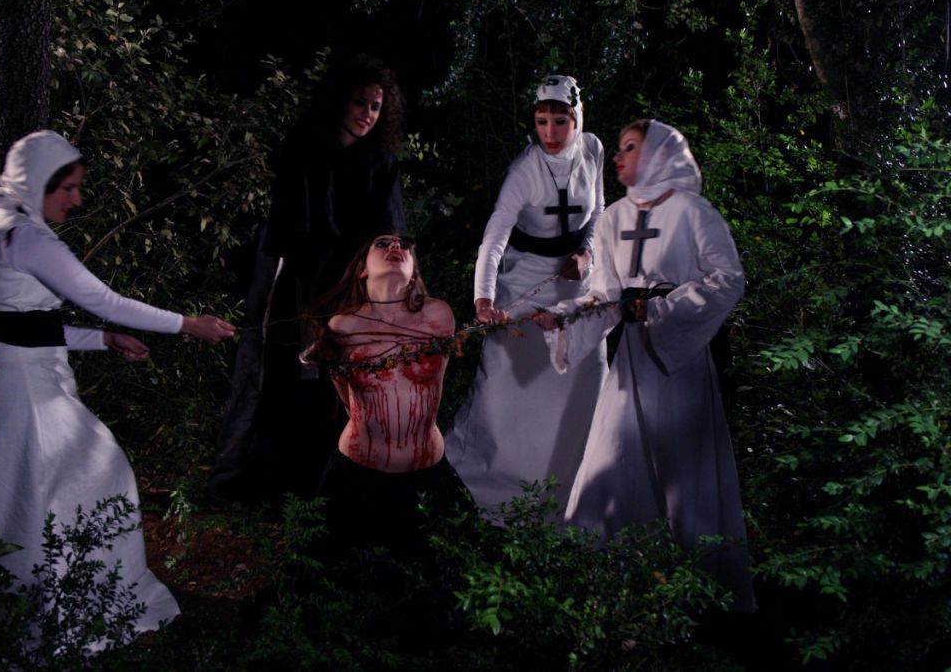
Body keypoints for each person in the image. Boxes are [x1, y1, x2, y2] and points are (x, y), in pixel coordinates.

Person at [0, 130, 235, 637]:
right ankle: (44, 621)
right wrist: (188, 324)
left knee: (57, 490)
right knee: (52, 492)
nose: (77, 199)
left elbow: (21, 322)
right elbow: (103, 299)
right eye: (67, 187)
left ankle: (72, 600)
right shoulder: (23, 235)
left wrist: (103, 340)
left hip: (12, 373)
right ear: (37, 181)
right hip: (21, 385)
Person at [534, 119, 755, 611]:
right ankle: (610, 586)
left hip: (680, 358)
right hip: (633, 359)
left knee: (685, 469)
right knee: (613, 459)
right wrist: (565, 317)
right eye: (618, 147)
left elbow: (727, 279)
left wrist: (661, 309)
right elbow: (606, 295)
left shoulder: (694, 212)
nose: (618, 157)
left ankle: (703, 595)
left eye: (630, 147)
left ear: (659, 154)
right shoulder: (613, 218)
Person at [211, 54, 407, 503]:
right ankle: (262, 483)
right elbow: (289, 231)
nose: (367, 114)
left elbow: (388, 229)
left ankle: (325, 487)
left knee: (338, 384)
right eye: (359, 102)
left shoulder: (382, 163)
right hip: (294, 280)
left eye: (376, 107)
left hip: (350, 284)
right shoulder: (305, 148)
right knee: (279, 375)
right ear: (340, 99)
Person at [444, 75, 608, 514]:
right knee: (507, 377)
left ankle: (579, 478)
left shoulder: (593, 150)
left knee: (586, 371)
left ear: (578, 118)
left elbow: (599, 210)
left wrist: (587, 253)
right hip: (526, 279)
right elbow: (495, 235)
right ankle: (505, 474)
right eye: (541, 121)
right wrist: (483, 299)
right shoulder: (524, 170)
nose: (550, 133)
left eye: (561, 121)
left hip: (576, 282)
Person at [302, 233, 472, 555]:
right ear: (362, 269)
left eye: (404, 246)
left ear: (414, 272)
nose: (396, 247)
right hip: (358, 474)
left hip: (426, 473)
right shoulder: (342, 326)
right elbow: (346, 396)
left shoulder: (437, 316)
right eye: (382, 244)